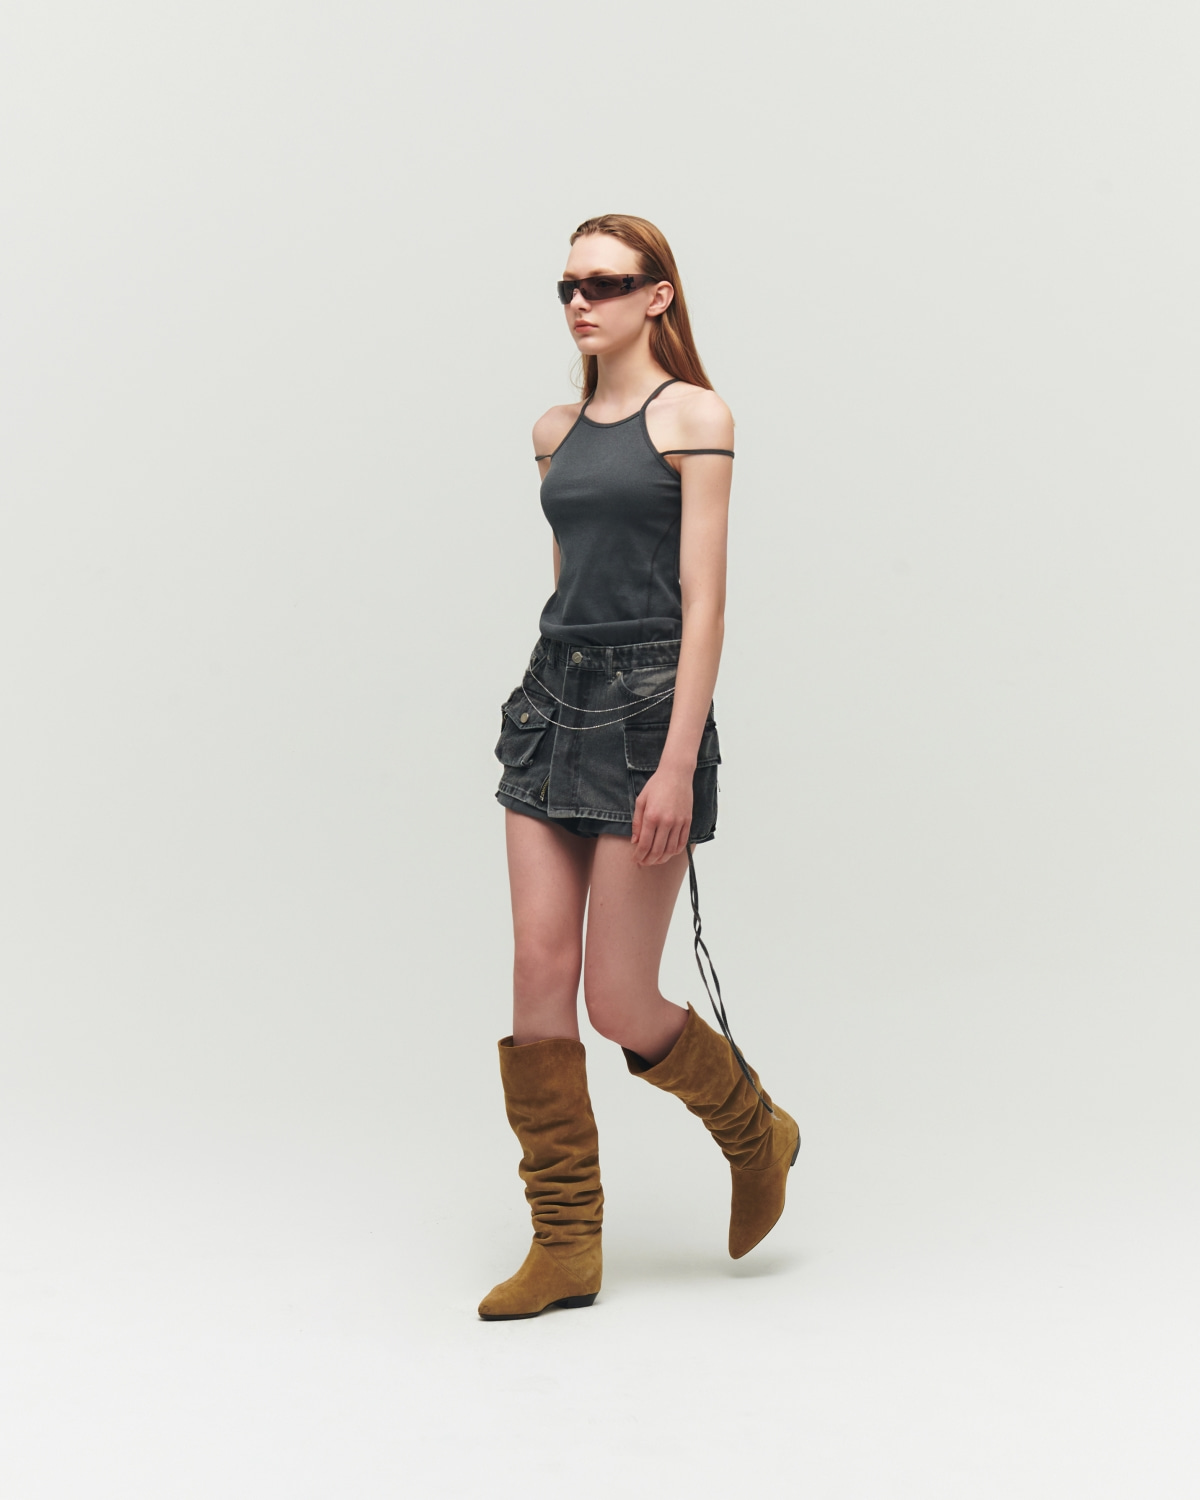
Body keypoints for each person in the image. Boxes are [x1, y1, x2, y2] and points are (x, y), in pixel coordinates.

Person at [479, 214, 798, 1322]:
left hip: (649, 712)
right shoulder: (553, 429)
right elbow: (571, 579)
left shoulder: (694, 415)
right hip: (550, 701)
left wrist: (675, 764)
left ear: (658, 294)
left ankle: (756, 1131)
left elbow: (704, 603)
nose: (581, 301)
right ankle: (565, 1241)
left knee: (617, 998)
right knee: (536, 968)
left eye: (606, 283)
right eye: (568, 285)